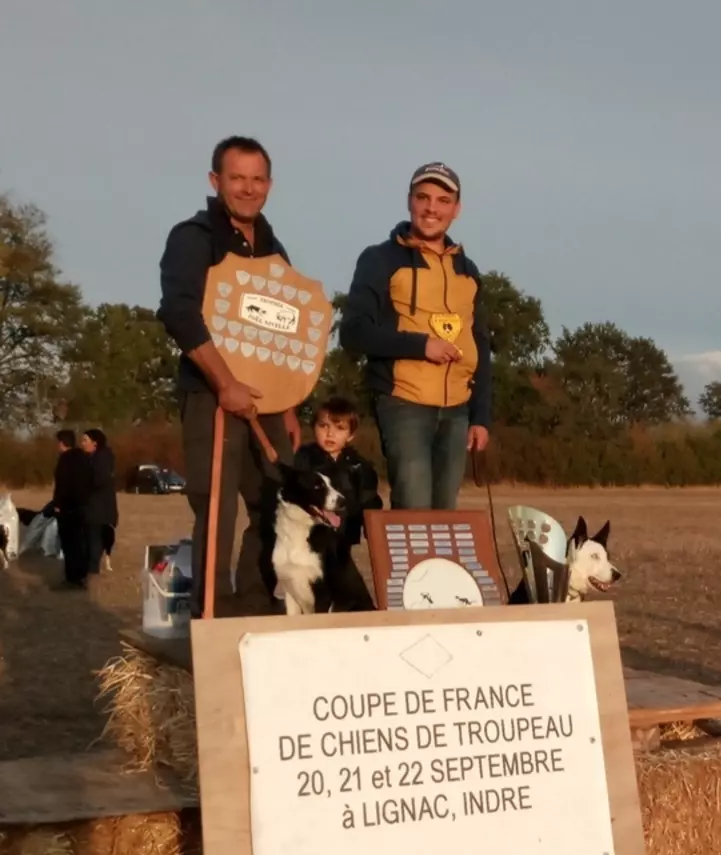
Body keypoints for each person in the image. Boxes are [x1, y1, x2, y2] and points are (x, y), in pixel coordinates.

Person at [157, 135, 300, 619]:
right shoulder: (193, 237)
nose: (248, 188)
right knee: (216, 511)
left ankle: (256, 610)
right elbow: (178, 313)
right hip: (211, 395)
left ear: (270, 184)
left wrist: (291, 403)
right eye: (237, 178)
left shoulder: (274, 246)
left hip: (269, 402)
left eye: (257, 179)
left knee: (278, 504)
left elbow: (288, 329)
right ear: (216, 180)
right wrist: (225, 384)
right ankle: (214, 619)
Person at [339, 162, 492, 511]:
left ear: (457, 209)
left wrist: (481, 416)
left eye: (442, 199)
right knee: (413, 511)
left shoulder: (468, 271)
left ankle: (435, 568)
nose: (431, 208)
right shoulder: (380, 258)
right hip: (403, 402)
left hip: (457, 411)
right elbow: (353, 331)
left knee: (445, 515)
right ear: (409, 201)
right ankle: (406, 568)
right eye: (423, 197)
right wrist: (421, 346)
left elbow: (479, 344)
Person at [293, 396, 382, 609]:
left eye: (339, 428)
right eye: (323, 426)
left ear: (350, 435)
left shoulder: (359, 467)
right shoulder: (303, 460)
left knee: (348, 588)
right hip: (307, 539)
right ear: (314, 427)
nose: (330, 434)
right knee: (313, 588)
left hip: (342, 541)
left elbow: (369, 501)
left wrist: (373, 529)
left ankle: (361, 616)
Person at [44, 429, 91, 590]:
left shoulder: (65, 460)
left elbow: (62, 486)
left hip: (67, 508)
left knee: (69, 545)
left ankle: (72, 579)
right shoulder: (84, 458)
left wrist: (58, 505)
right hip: (83, 506)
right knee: (80, 542)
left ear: (62, 443)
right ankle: (82, 577)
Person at [80, 428, 118, 577]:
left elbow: (99, 481)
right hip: (97, 506)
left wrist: (83, 486)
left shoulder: (101, 459)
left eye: (85, 441)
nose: (82, 444)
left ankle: (92, 570)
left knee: (94, 538)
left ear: (95, 443)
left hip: (98, 508)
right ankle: (90, 567)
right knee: (92, 538)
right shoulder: (97, 458)